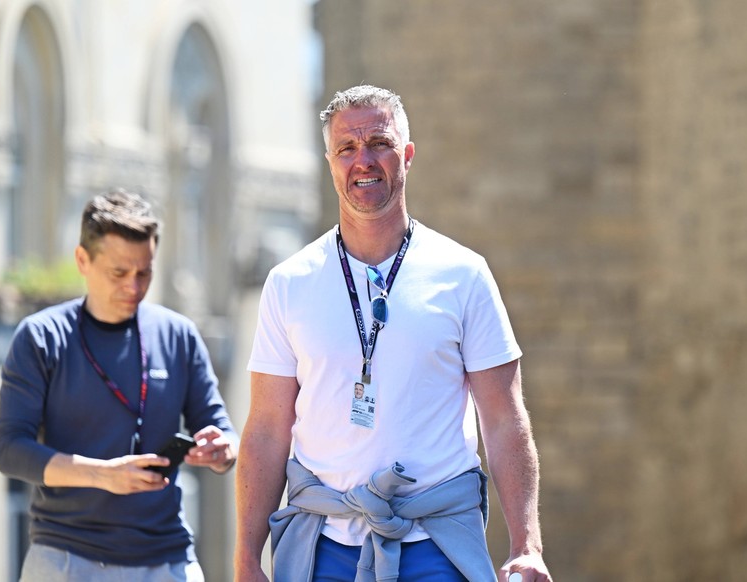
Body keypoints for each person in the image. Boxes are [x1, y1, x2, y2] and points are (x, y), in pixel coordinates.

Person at [233, 84, 551, 582]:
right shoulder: (289, 282)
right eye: (346, 148)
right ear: (330, 162)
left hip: (436, 544)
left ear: (407, 154)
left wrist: (526, 544)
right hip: (322, 547)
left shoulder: (463, 274)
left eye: (379, 143)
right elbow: (268, 429)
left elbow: (504, 419)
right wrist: (247, 557)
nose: (364, 160)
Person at [0, 188, 239, 581]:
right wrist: (102, 475)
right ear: (82, 260)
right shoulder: (41, 337)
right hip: (65, 559)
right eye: (119, 273)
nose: (134, 287)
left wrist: (223, 450)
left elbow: (222, 431)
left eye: (145, 272)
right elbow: (10, 451)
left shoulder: (178, 335)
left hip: (167, 560)